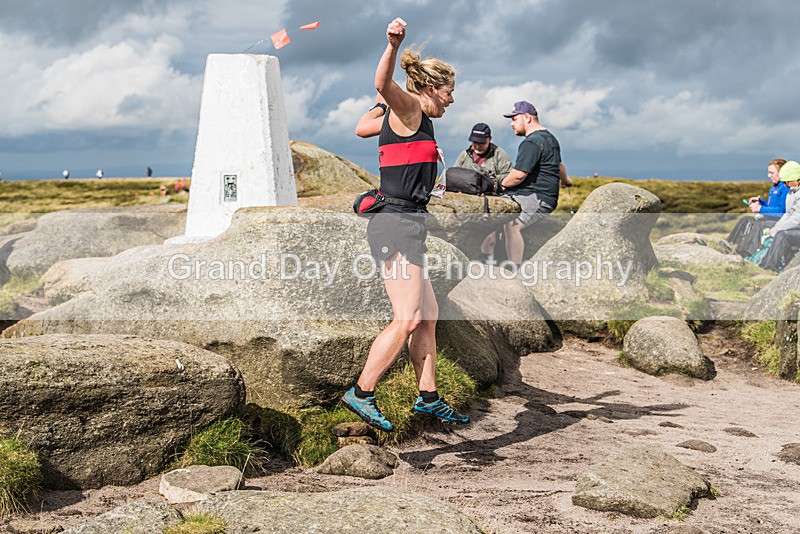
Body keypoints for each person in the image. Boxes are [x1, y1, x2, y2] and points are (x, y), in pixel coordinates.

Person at [341, 17, 469, 432]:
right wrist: (393, 46)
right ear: (430, 88)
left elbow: (363, 127)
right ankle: (362, 392)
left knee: (428, 315)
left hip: (408, 225)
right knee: (408, 318)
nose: (452, 101)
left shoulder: (415, 119)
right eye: (449, 93)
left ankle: (428, 397)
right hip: (395, 224)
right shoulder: (411, 108)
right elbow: (382, 83)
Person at [479, 101, 572, 265]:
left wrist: (498, 185)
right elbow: (559, 165)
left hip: (536, 197)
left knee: (511, 225)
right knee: (497, 214)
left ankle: (514, 269)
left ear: (527, 117)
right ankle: (489, 259)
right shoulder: (550, 138)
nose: (511, 123)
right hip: (541, 196)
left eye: (514, 119)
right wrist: (566, 181)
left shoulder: (531, 142)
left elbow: (518, 176)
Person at [728, 158, 788, 257]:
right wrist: (762, 203)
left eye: (772, 173)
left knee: (760, 224)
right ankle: (729, 245)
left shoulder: (785, 188)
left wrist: (760, 209)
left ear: (781, 172)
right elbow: (772, 208)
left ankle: (746, 254)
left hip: (781, 221)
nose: (769, 176)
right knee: (745, 219)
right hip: (772, 218)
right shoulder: (774, 187)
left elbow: (781, 212)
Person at [756, 161, 800, 272]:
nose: (785, 185)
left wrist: (777, 231)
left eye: (787, 182)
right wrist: (774, 229)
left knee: (782, 235)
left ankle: (770, 268)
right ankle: (762, 262)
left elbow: (796, 219)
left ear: (796, 179)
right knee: (777, 232)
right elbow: (788, 214)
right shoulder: (792, 191)